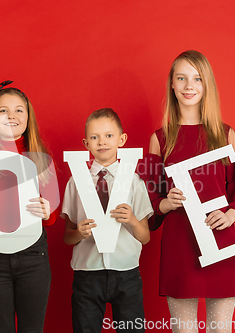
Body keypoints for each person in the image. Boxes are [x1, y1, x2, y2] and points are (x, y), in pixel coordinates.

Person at [146, 50, 235, 333]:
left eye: (196, 79)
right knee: (184, 330)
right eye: (181, 78)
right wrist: (166, 204)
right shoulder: (159, 139)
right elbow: (149, 198)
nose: (188, 86)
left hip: (220, 242)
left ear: (207, 84)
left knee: (220, 330)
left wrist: (231, 214)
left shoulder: (225, 134)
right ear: (172, 84)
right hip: (179, 246)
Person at [0, 81, 59, 333]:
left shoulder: (41, 158)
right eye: (3, 110)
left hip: (33, 257)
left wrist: (47, 211)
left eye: (19, 110)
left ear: (28, 117)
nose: (11, 116)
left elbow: (51, 219)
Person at [62, 108, 153, 333]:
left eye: (109, 135)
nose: (102, 142)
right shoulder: (76, 183)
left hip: (127, 273)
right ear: (86, 144)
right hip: (87, 274)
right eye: (95, 137)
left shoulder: (133, 182)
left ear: (121, 140)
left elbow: (145, 237)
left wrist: (131, 220)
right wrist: (79, 233)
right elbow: (67, 237)